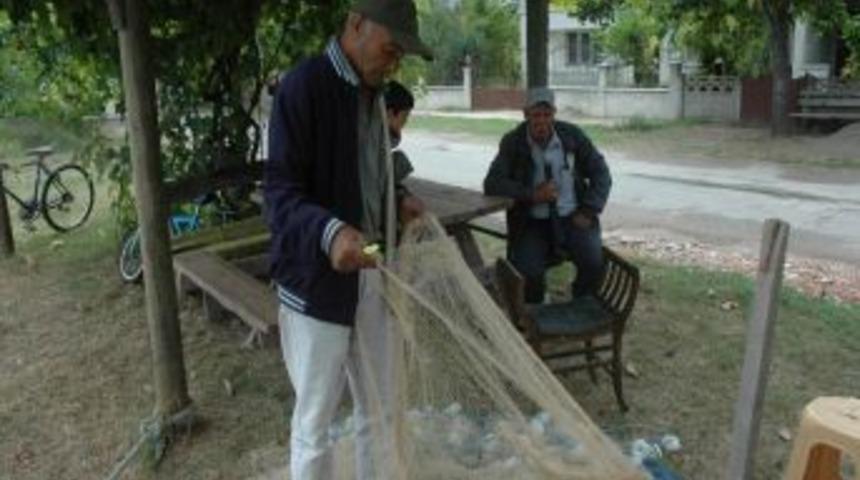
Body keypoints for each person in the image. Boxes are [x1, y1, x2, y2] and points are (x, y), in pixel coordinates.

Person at [263, 0, 432, 478]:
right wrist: (330, 231)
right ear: (355, 24)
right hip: (316, 285)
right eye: (391, 48)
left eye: (401, 55)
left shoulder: (373, 94)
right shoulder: (304, 87)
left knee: (379, 408)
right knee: (315, 423)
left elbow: (367, 173)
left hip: (374, 267)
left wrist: (396, 200)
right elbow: (279, 194)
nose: (394, 62)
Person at [483, 87, 611, 303]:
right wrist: (532, 195)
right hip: (532, 221)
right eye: (535, 115)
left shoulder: (572, 136)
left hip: (573, 217)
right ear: (526, 114)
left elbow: (601, 174)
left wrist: (589, 209)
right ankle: (536, 311)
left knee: (593, 262)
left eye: (546, 114)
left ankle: (580, 303)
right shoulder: (513, 141)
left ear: (554, 114)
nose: (541, 121)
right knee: (527, 272)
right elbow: (492, 184)